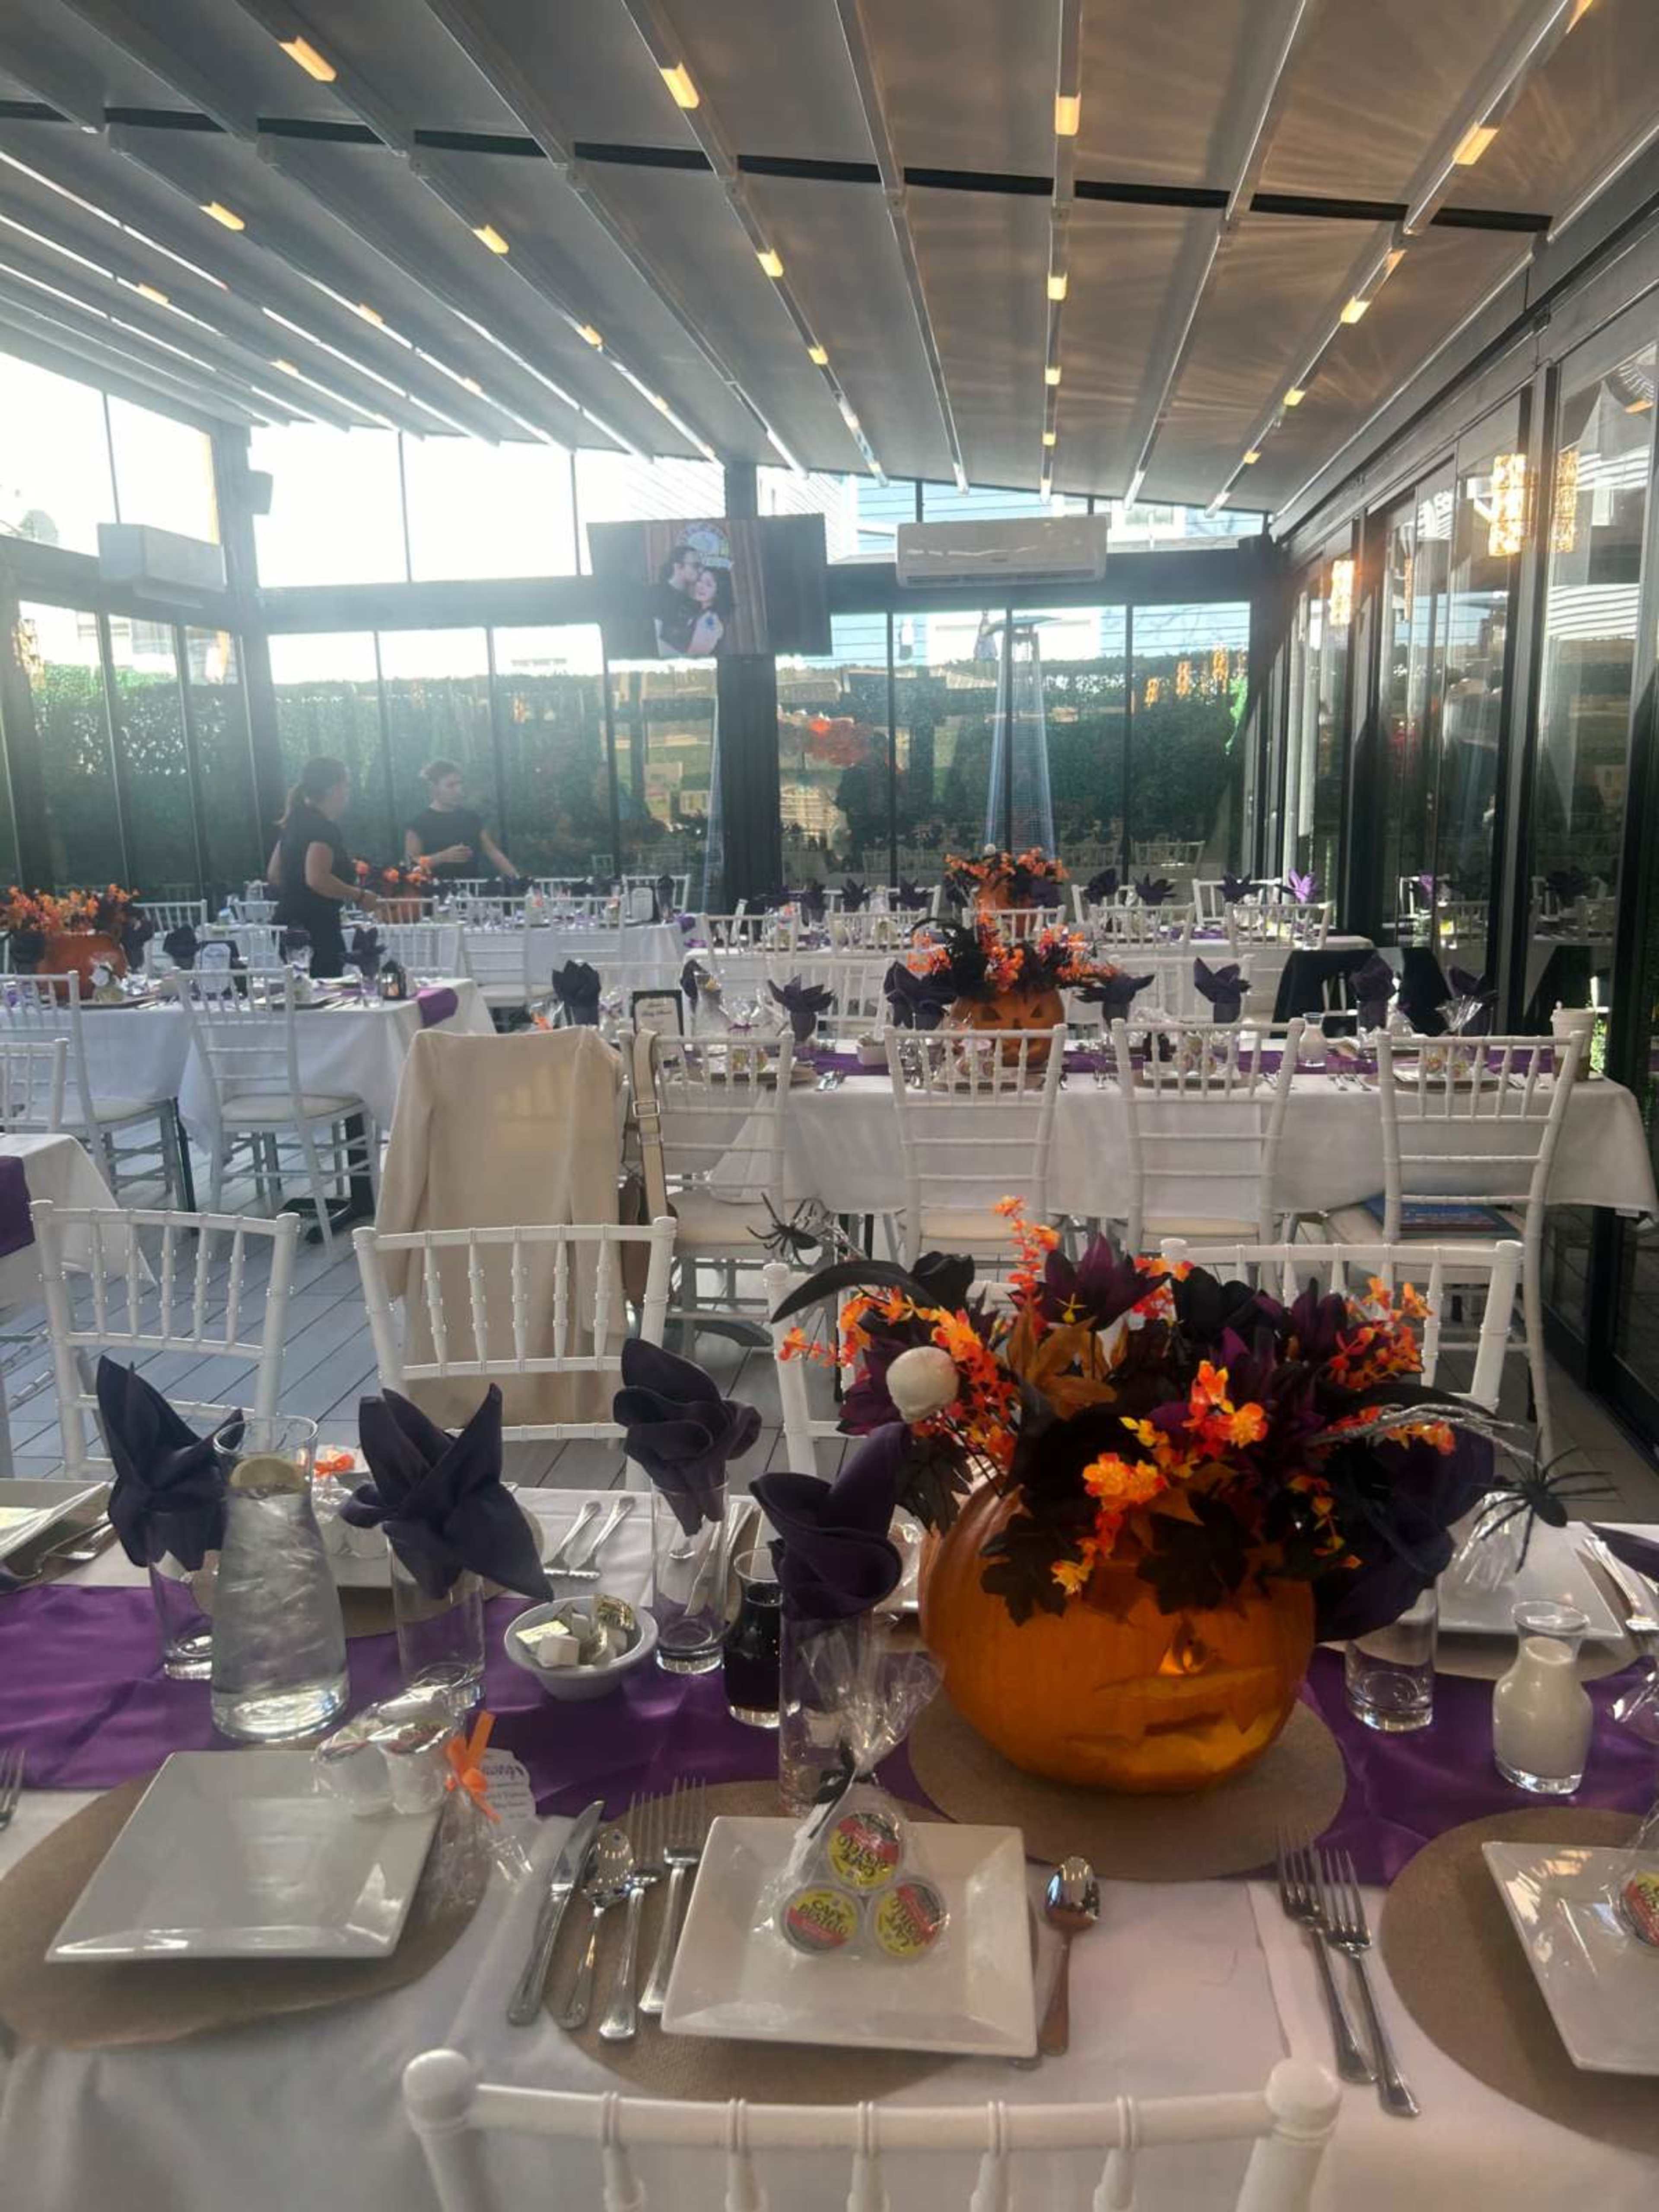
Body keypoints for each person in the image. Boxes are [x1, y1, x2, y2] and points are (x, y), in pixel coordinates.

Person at [267, 756, 370, 980]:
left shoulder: (293, 822)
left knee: (301, 986)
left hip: (286, 921)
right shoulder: (323, 829)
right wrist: (359, 895)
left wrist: (296, 892)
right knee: (326, 986)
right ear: (334, 789)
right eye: (346, 786)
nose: (348, 793)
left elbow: (274, 874)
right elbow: (317, 879)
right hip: (317, 926)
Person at [404, 760, 518, 882]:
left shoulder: (471, 818)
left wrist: (519, 880)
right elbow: (411, 866)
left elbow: (493, 853)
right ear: (434, 788)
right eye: (451, 786)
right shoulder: (419, 824)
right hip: (434, 891)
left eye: (460, 784)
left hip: (472, 890)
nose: (458, 790)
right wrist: (441, 857)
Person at [651, 542, 701, 658]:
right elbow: (656, 639)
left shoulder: (693, 603)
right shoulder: (656, 594)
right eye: (696, 566)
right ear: (678, 567)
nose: (700, 571)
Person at [684, 563, 733, 658]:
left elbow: (695, 655)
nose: (701, 586)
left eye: (709, 585)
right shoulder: (699, 613)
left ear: (718, 592)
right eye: (700, 581)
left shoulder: (710, 620)